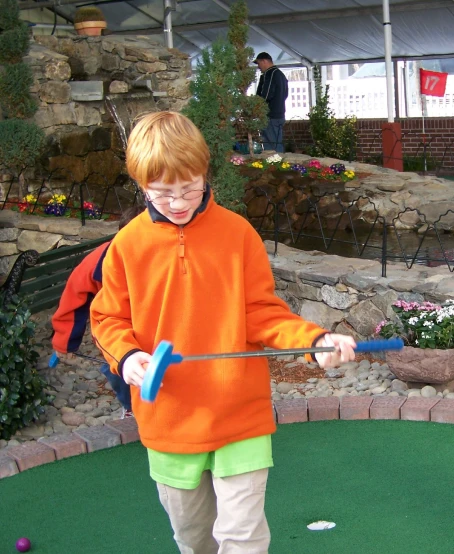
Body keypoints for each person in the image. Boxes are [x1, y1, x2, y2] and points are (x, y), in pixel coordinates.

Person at [89, 111, 356, 554]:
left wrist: (313, 342)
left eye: (189, 188)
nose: (178, 203)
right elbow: (107, 320)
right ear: (141, 186)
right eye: (162, 193)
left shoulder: (237, 235)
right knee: (193, 539)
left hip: (240, 416)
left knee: (243, 539)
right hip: (170, 420)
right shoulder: (127, 246)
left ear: (205, 173)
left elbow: (263, 313)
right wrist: (129, 356)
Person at [51, 205, 144, 419]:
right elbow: (74, 296)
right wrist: (65, 342)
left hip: (153, 321)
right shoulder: (99, 260)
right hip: (115, 324)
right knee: (116, 365)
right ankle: (130, 407)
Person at [254, 51, 288, 153]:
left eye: (259, 64)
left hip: (270, 115)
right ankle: (277, 165)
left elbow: (266, 95)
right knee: (277, 143)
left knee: (271, 146)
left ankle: (276, 166)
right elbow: (285, 94)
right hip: (279, 114)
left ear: (264, 61)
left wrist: (256, 107)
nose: (258, 67)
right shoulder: (281, 74)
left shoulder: (270, 74)